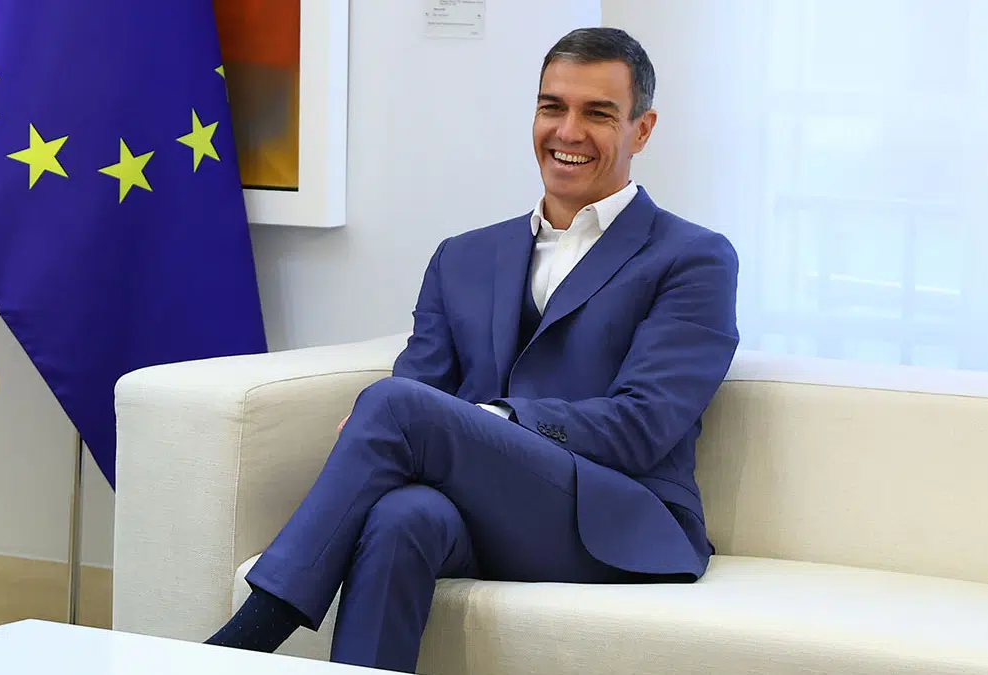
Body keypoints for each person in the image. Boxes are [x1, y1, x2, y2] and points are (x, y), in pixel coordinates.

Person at [205, 26, 739, 673]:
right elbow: (421, 388)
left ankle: (242, 643)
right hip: (486, 511)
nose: (568, 131)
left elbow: (641, 425)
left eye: (598, 113)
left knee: (394, 405)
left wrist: (491, 419)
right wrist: (415, 422)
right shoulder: (462, 257)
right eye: (552, 107)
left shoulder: (692, 258)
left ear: (642, 129)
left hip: (615, 519)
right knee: (402, 515)